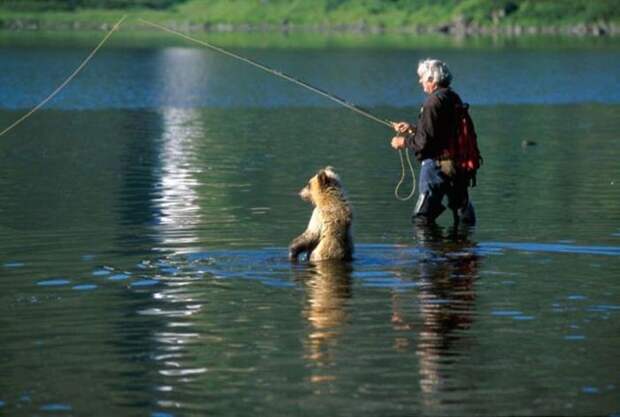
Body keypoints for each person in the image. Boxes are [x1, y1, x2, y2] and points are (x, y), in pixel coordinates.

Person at [391, 58, 476, 227]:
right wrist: (413, 128)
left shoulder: (432, 102)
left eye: (422, 77)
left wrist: (403, 141)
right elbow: (441, 131)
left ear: (432, 79)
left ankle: (430, 253)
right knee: (462, 212)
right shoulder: (451, 96)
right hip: (457, 165)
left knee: (421, 219)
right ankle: (462, 249)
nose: (420, 80)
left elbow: (424, 143)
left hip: (436, 167)